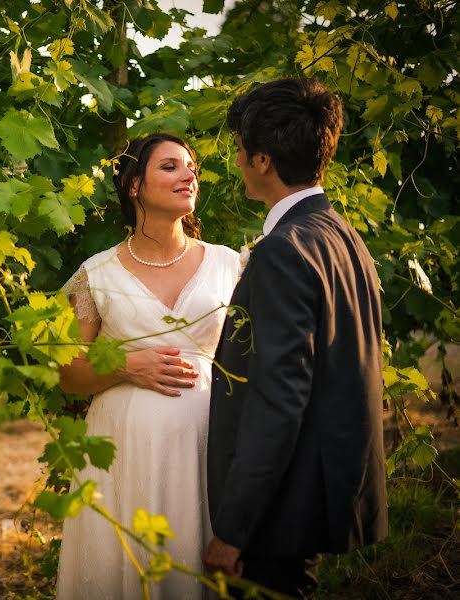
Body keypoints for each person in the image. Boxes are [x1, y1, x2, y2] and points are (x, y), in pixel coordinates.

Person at [202, 78, 388, 598]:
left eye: (240, 151)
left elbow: (279, 396)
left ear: (262, 160)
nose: (237, 162)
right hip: (324, 486)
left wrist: (233, 529)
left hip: (283, 503)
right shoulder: (340, 234)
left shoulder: (284, 249)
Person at [55, 132, 240, 599]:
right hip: (123, 451)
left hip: (206, 446)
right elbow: (69, 376)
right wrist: (122, 367)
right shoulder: (96, 273)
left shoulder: (230, 266)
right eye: (171, 166)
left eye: (191, 166)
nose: (188, 174)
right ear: (134, 186)